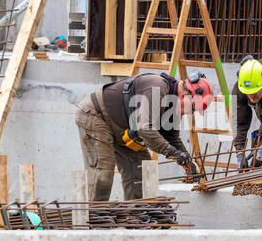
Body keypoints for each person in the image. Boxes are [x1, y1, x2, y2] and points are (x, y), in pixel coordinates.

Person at [75, 71, 213, 201]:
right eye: (193, 108)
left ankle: (135, 218)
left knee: (142, 173)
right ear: (186, 95)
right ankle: (93, 219)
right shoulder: (158, 87)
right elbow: (145, 129)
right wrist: (174, 154)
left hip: (124, 128)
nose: (191, 113)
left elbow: (172, 138)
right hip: (97, 115)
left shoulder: (174, 106)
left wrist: (188, 161)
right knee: (103, 174)